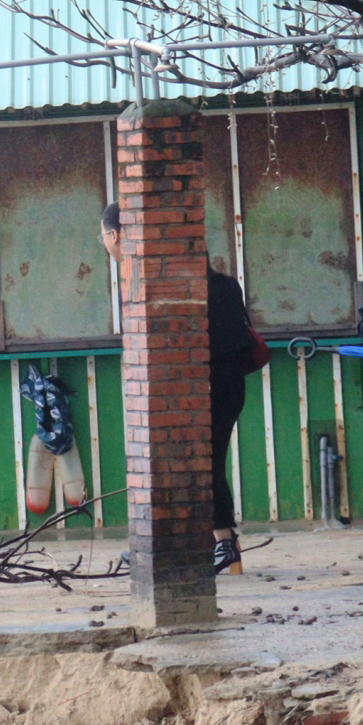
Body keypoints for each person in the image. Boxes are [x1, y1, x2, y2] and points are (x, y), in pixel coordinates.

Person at [99, 203, 260, 573]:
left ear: (115, 236)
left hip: (202, 388)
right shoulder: (224, 285)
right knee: (207, 463)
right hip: (227, 386)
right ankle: (218, 544)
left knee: (203, 465)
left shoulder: (171, 289)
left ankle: (223, 545)